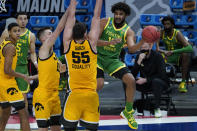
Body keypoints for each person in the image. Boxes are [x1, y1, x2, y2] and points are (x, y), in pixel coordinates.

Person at [96, 2, 144, 129]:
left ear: (126, 15)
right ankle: (89, 109)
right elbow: (93, 40)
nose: (117, 16)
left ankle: (128, 111)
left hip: (112, 60)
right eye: (116, 13)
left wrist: (143, 41)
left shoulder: (129, 31)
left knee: (131, 80)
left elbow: (132, 49)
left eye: (120, 14)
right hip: (97, 58)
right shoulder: (104, 22)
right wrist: (109, 42)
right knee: (98, 85)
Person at [60, 0, 103, 130]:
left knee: (69, 128)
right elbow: (96, 17)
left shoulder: (68, 44)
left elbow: (71, 17)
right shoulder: (91, 44)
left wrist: (73, 2)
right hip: (91, 95)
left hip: (74, 95)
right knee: (91, 128)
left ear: (72, 34)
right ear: (86, 34)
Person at [32, 5, 69, 131]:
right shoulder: (43, 50)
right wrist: (69, 11)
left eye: (52, 33)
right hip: (43, 95)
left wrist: (62, 70)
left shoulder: (54, 56)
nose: (53, 35)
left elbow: (58, 72)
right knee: (43, 129)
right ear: (43, 39)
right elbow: (59, 29)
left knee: (57, 128)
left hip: (54, 95)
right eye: (49, 34)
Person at [0, 12, 37, 110]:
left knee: (23, 95)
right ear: (16, 20)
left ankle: (23, 115)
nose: (23, 21)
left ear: (27, 21)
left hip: (21, 68)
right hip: (7, 68)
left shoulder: (31, 35)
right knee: (4, 95)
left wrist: (36, 64)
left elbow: (33, 53)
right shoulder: (6, 33)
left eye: (25, 19)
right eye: (20, 18)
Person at [0, 23, 31, 131]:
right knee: (23, 112)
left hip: (1, 82)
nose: (18, 33)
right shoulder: (10, 47)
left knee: (5, 111)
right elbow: (7, 70)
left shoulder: (4, 42)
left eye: (19, 31)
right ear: (9, 32)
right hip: (7, 83)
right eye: (15, 31)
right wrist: (22, 76)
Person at [132, 42, 170, 118]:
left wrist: (146, 80)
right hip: (146, 83)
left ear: (150, 47)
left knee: (156, 82)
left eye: (145, 48)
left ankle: (157, 109)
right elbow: (133, 75)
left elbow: (162, 75)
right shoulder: (139, 57)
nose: (143, 50)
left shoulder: (158, 56)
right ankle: (129, 108)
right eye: (141, 49)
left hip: (161, 83)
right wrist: (138, 62)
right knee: (128, 81)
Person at [157, 16, 193, 93]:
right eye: (165, 24)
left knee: (186, 54)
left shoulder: (177, 33)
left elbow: (190, 48)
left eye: (168, 24)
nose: (166, 26)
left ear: (173, 25)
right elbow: (156, 48)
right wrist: (164, 52)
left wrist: (173, 52)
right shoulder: (161, 32)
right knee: (156, 55)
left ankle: (183, 83)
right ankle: (162, 83)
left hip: (177, 56)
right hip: (167, 55)